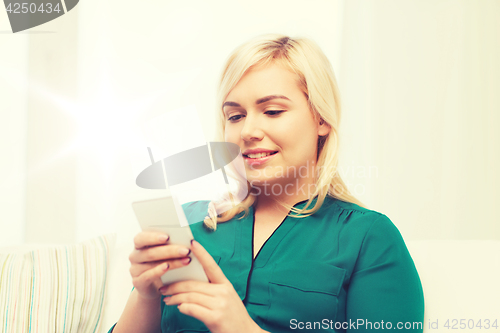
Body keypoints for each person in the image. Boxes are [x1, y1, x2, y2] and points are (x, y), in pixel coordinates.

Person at [109, 34, 424, 333]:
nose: (247, 131)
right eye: (235, 116)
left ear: (321, 119)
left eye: (272, 111)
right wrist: (146, 294)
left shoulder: (368, 238)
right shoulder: (188, 226)